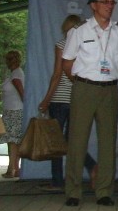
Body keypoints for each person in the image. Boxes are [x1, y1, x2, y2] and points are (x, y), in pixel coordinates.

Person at [62, 0, 118, 206]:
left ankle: (104, 191)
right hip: (84, 88)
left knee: (107, 141)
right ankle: (73, 192)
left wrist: (109, 76)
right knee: (77, 140)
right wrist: (83, 81)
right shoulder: (79, 30)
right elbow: (67, 63)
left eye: (112, 2)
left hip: (109, 90)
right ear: (93, 5)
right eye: (105, 2)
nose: (109, 6)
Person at [38, 15, 97, 191]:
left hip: (60, 100)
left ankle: (57, 181)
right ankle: (91, 166)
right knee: (73, 140)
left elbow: (57, 75)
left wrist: (46, 99)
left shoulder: (62, 45)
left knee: (57, 142)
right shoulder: (85, 47)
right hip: (78, 99)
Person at [1, 50, 25, 179]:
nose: (7, 62)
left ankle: (12, 169)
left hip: (14, 111)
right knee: (13, 141)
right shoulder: (14, 74)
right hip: (11, 110)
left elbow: (22, 93)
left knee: (13, 141)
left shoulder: (16, 75)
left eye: (9, 59)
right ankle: (15, 168)